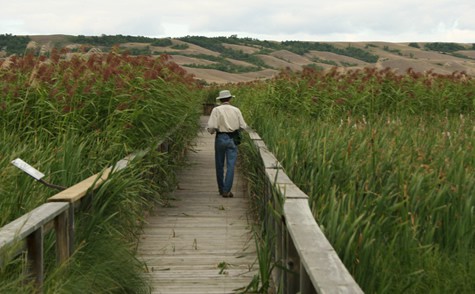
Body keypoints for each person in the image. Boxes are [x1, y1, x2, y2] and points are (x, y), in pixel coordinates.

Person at [206, 90, 248, 198]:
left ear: (220, 99)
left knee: (219, 165)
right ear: (230, 99)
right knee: (231, 166)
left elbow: (211, 126)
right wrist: (236, 130)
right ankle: (227, 190)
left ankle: (221, 189)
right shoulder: (236, 110)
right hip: (232, 139)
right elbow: (243, 126)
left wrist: (211, 132)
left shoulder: (216, 110)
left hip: (220, 137)